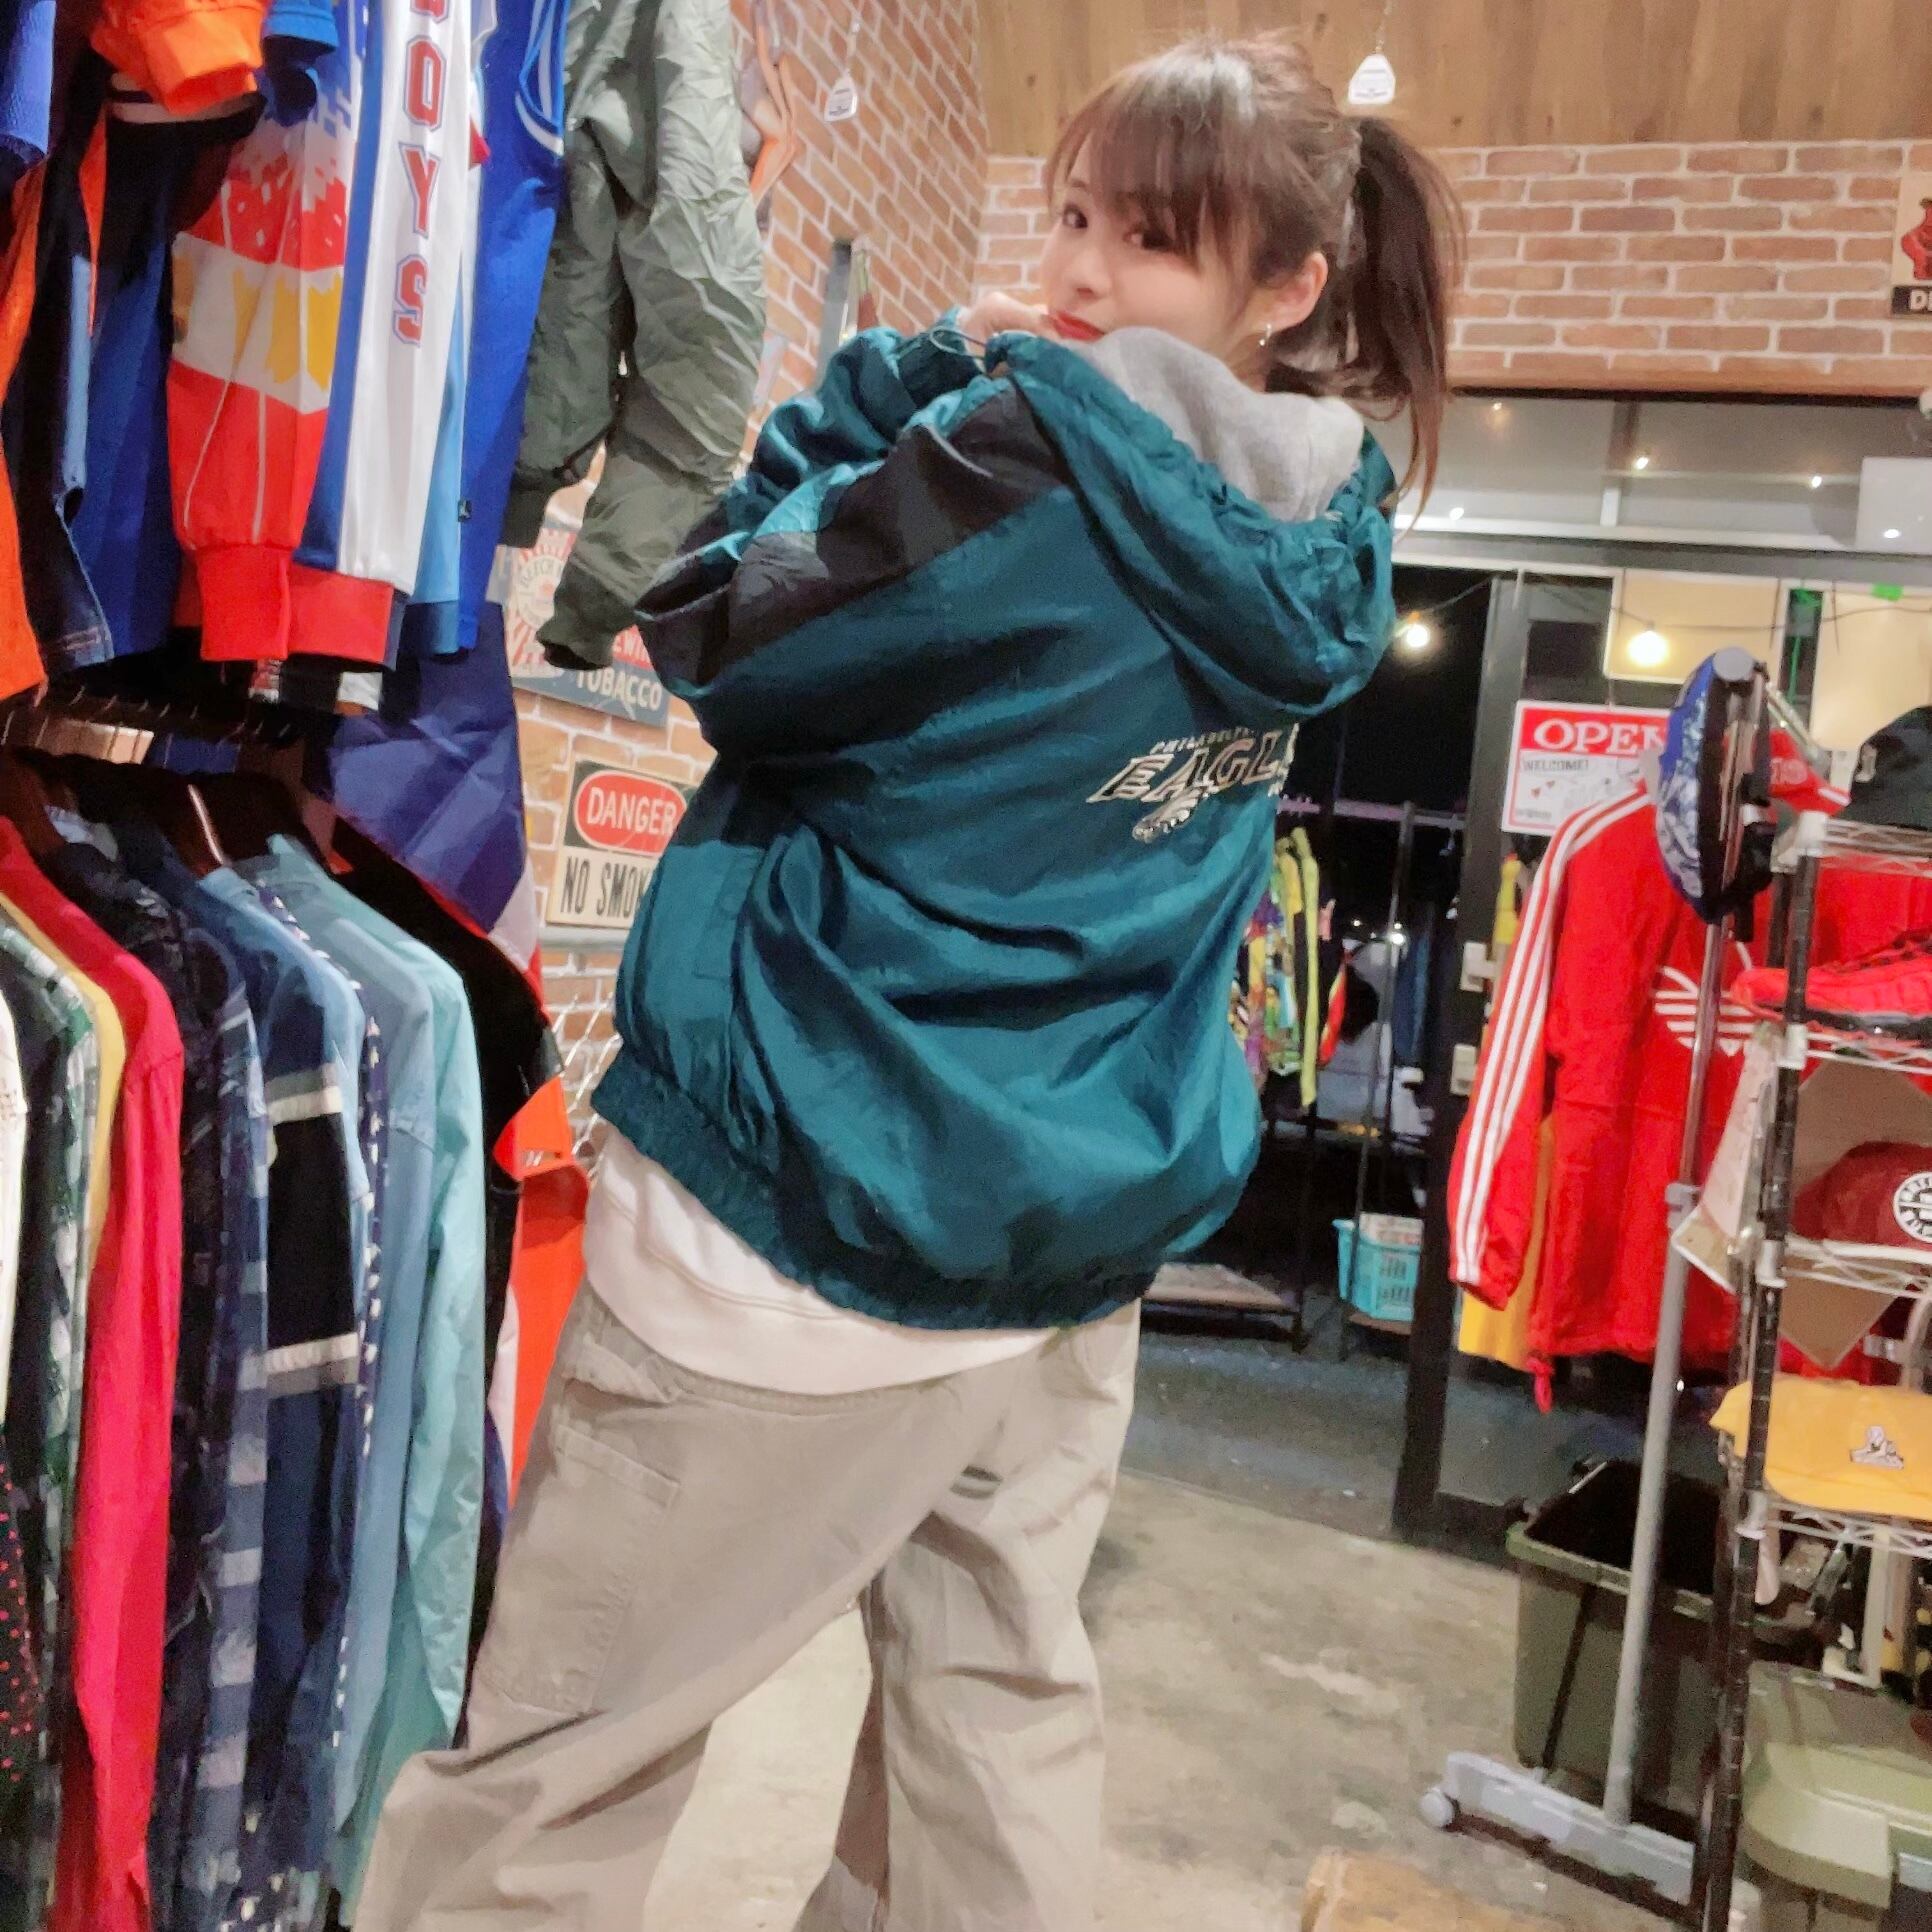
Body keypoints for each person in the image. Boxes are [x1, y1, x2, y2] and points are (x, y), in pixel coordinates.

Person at [357, 31, 1461, 1932]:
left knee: (556, 1771)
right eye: (1076, 214)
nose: (1083, 271)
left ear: (1288, 286)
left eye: (1152, 240)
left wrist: (901, 372)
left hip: (817, 1209)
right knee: (990, 1735)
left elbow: (709, 618)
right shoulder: (1327, 532)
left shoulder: (1012, 458)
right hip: (1073, 1238)